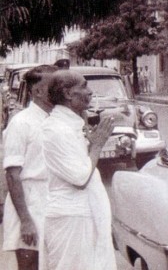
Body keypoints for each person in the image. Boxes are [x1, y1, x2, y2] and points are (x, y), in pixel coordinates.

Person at [40, 70, 116, 270]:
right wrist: (98, 145)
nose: (90, 92)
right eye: (83, 86)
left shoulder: (69, 125)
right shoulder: (56, 129)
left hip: (81, 214)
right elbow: (80, 178)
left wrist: (91, 145)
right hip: (70, 218)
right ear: (67, 94)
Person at [2, 65, 58, 270]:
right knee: (30, 263)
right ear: (38, 91)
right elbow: (13, 175)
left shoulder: (59, 120)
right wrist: (25, 220)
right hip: (29, 204)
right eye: (55, 85)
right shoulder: (21, 123)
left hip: (52, 202)